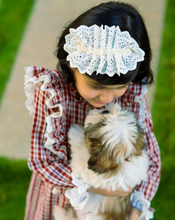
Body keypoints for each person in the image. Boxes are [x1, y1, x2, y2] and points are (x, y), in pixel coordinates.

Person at [24, 1, 161, 220]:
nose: (107, 99)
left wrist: (137, 206)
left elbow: (152, 160)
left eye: (118, 88)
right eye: (96, 86)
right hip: (60, 198)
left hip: (113, 210)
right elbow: (43, 161)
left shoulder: (133, 95)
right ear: (72, 65)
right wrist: (103, 188)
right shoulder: (52, 94)